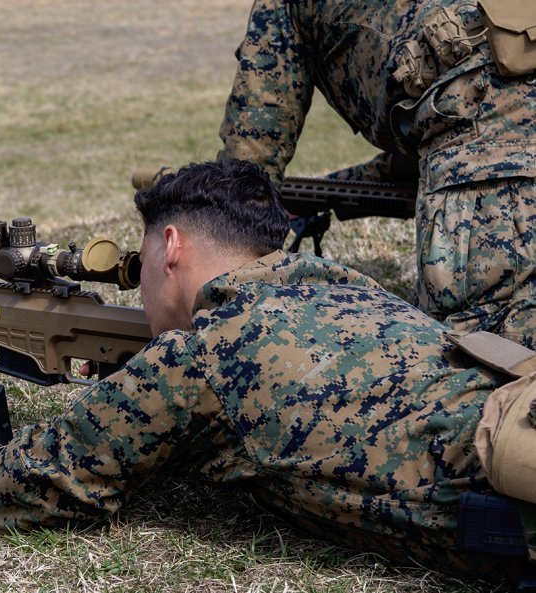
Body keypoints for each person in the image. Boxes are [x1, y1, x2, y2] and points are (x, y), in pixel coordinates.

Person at [0, 159, 536, 577]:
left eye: (142, 262)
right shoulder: (346, 286)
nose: (141, 284)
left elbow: (21, 492)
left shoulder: (205, 354)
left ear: (170, 247)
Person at [216, 0, 536, 348]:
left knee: (487, 365)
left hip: (490, 157)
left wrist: (224, 243)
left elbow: (248, 166)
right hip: (489, 140)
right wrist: (326, 191)